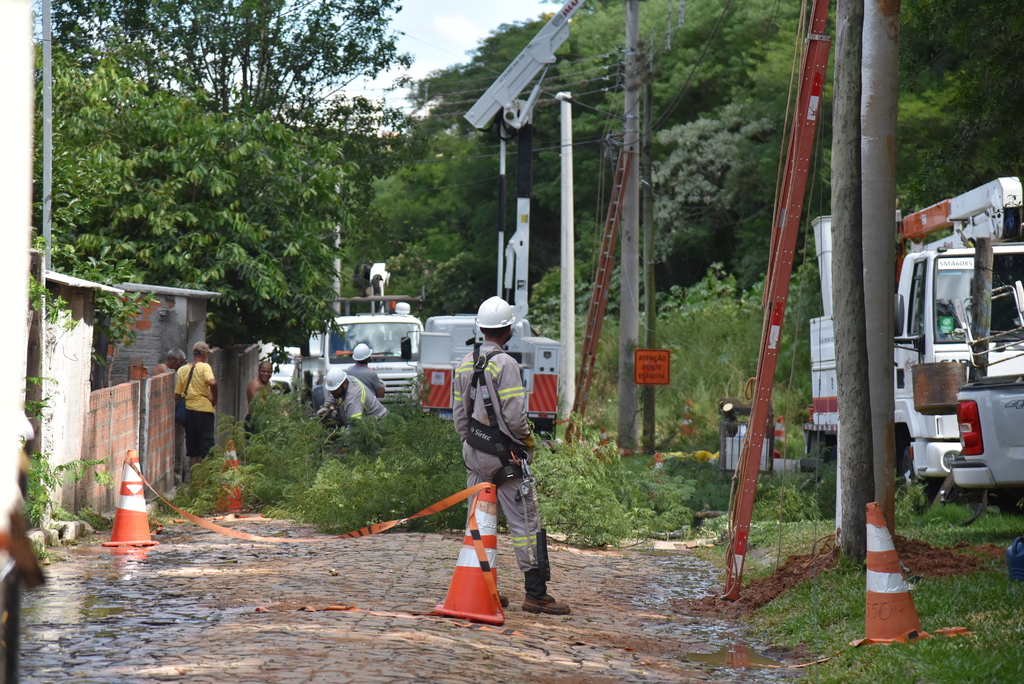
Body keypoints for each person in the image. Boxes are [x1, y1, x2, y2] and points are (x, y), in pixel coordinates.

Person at [452, 296, 570, 615]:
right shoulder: (506, 365)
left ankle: (483, 589)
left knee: (478, 521)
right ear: (509, 331)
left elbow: (460, 420)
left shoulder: (464, 363)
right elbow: (516, 417)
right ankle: (535, 594)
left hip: (473, 453)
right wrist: (526, 442)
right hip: (506, 458)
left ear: (481, 329)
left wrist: (475, 443)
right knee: (525, 522)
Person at [176, 341, 217, 471]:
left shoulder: (182, 370)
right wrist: (213, 398)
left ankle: (194, 482)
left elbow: (177, 395)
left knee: (193, 449)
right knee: (207, 446)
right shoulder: (205, 367)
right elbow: (213, 382)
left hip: (189, 411)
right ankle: (206, 480)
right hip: (204, 411)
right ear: (204, 354)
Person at [316, 366, 388, 428]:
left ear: (344, 384)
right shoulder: (346, 380)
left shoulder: (354, 396)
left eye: (335, 389)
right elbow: (334, 396)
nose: (332, 392)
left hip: (378, 423)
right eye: (331, 390)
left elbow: (354, 425)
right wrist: (326, 406)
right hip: (367, 424)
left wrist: (345, 442)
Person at [245, 361, 274, 428]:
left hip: (263, 420)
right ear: (258, 370)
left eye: (268, 372)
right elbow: (261, 405)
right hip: (253, 421)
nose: (266, 374)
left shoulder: (267, 384)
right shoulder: (255, 384)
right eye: (263, 371)